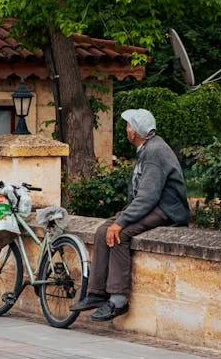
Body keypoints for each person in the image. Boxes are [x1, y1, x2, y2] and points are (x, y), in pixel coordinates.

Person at [70, 108, 190, 321]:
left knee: (119, 234)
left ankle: (118, 300)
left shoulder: (154, 152)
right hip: (152, 206)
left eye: (128, 125)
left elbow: (148, 196)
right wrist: (122, 216)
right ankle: (96, 293)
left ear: (134, 132)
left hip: (166, 210)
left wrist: (123, 221)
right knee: (102, 232)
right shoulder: (147, 148)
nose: (126, 129)